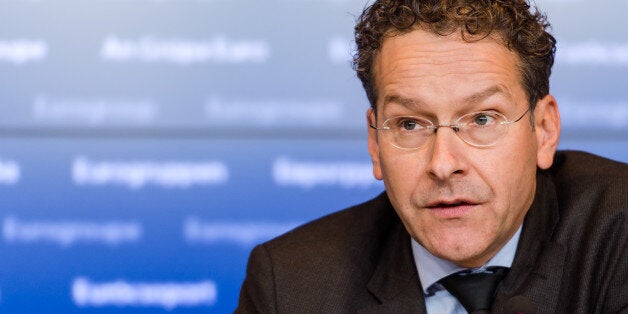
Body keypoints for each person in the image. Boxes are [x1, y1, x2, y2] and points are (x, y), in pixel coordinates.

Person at [235, 0, 627, 313]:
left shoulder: (618, 231)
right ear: (374, 143)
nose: (443, 164)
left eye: (482, 119)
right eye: (409, 124)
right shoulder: (290, 286)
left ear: (543, 131)